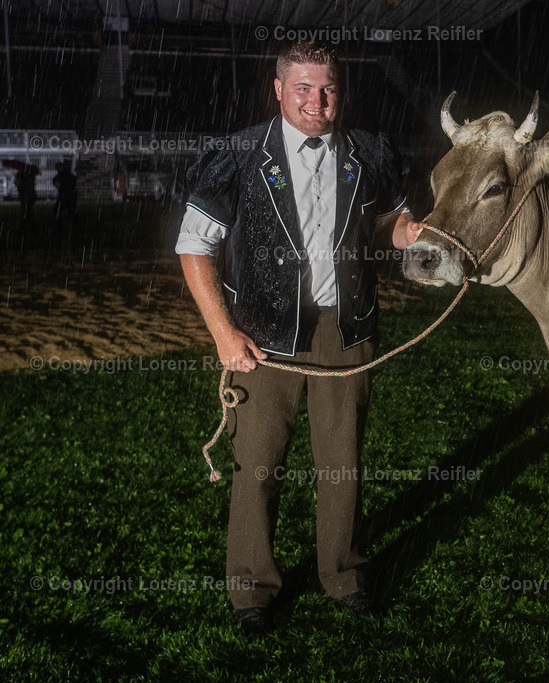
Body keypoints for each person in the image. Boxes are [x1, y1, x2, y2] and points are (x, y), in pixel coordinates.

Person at [176, 41, 421, 638]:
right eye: (305, 88)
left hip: (346, 329)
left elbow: (389, 222)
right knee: (258, 466)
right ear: (278, 89)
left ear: (342, 91)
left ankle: (344, 574)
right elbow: (193, 246)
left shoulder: (371, 150)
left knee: (344, 464)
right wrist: (222, 334)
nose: (318, 100)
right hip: (261, 338)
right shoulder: (236, 154)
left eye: (329, 88)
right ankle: (252, 590)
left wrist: (410, 232)